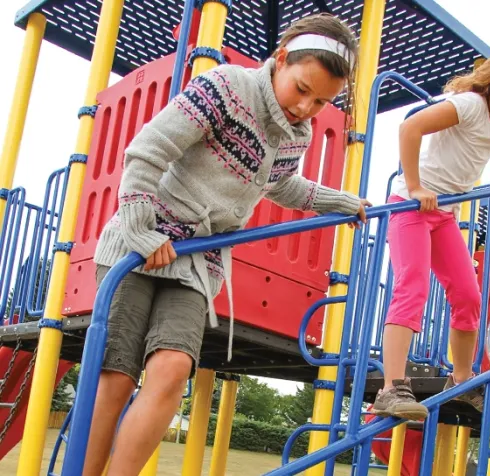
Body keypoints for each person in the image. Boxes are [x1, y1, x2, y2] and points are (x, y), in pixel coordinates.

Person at [84, 13, 370, 475]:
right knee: (117, 374)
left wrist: (341, 201)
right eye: (301, 89)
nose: (306, 108)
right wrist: (140, 228)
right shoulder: (227, 86)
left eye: (322, 101)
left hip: (199, 257)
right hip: (141, 241)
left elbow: (281, 186)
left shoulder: (298, 134)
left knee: (174, 367)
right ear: (280, 60)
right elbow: (146, 150)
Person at [373, 47, 490, 420]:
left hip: (443, 215)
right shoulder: (470, 104)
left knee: (468, 295)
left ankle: (461, 380)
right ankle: (391, 388)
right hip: (412, 207)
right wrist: (414, 186)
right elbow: (410, 127)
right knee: (413, 287)